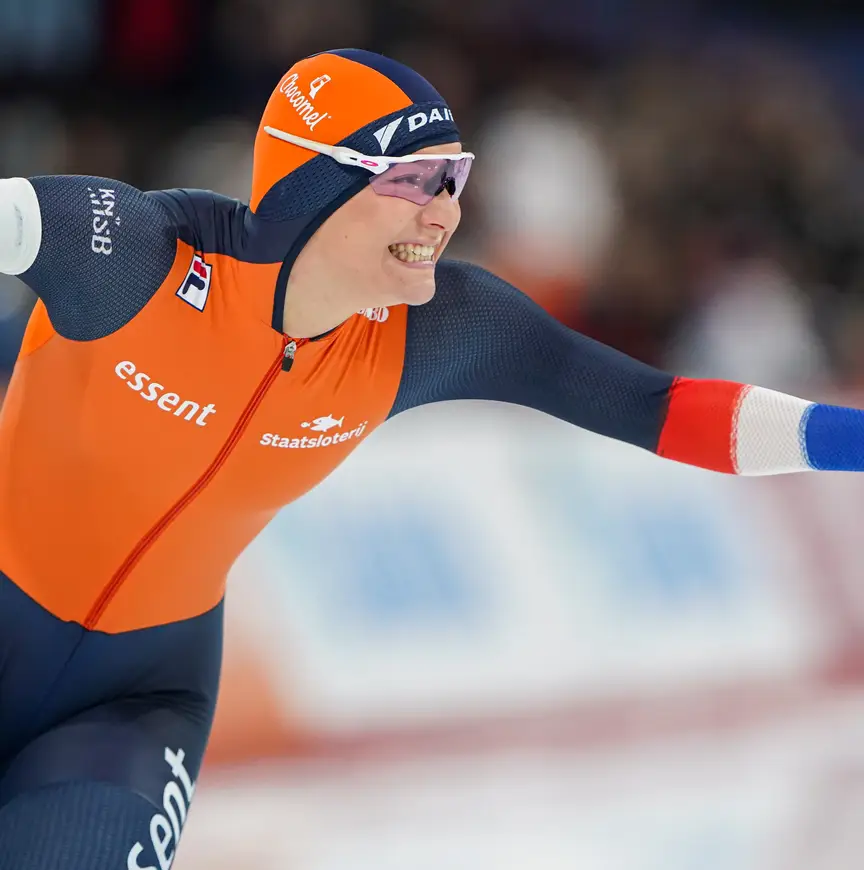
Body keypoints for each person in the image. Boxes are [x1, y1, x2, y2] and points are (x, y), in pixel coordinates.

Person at [0, 47, 862, 869]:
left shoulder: (440, 330)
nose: (445, 212)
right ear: (315, 184)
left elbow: (657, 406)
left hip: (133, 704)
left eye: (456, 179)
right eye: (417, 180)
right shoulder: (134, 255)